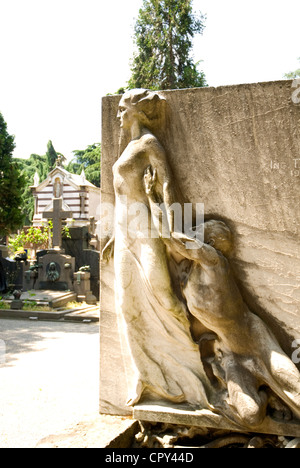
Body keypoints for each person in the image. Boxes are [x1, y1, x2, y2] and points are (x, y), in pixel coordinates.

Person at [102, 89, 210, 408]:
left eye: (123, 109)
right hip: (124, 229)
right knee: (126, 302)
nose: (118, 115)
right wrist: (112, 236)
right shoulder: (128, 147)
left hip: (144, 226)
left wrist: (173, 227)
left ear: (137, 112)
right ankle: (144, 374)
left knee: (163, 292)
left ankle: (193, 370)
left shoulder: (149, 143)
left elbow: (167, 183)